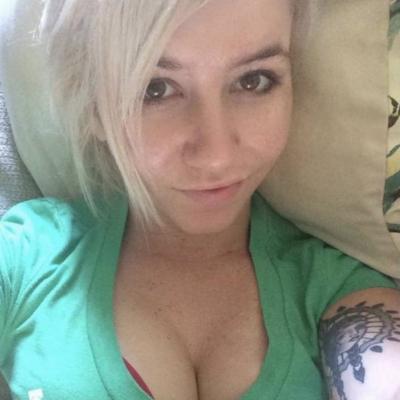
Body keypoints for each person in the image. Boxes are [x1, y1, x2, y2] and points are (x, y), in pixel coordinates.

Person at [1, 0, 400, 399]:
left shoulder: (338, 290)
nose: (216, 156)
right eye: (154, 89)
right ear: (93, 108)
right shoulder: (27, 258)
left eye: (254, 81)